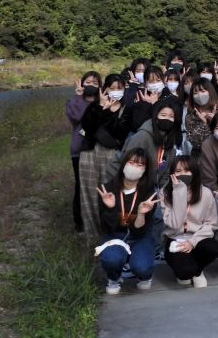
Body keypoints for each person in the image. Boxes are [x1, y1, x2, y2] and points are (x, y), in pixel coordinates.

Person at [96, 147, 159, 295]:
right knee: (112, 259)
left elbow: (141, 230)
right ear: (124, 164)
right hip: (115, 235)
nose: (134, 167)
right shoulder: (108, 189)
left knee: (142, 266)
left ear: (145, 170)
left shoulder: (149, 192)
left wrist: (141, 214)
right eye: (131, 162)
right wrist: (110, 208)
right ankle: (114, 276)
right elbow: (107, 228)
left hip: (140, 237)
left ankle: (144, 274)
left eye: (140, 165)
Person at [78, 73, 130, 241]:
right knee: (90, 193)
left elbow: (120, 133)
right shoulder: (95, 105)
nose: (115, 92)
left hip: (112, 155)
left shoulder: (126, 109)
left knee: (111, 192)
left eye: (119, 88)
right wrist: (101, 108)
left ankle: (113, 235)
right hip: (90, 153)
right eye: (112, 88)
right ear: (105, 89)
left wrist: (110, 113)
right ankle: (92, 236)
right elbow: (88, 127)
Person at [161, 155, 218, 288]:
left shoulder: (205, 193)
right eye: (178, 171)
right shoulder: (164, 193)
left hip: (197, 238)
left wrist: (192, 242)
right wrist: (179, 192)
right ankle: (186, 270)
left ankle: (198, 271)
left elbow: (212, 224)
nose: (182, 174)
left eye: (187, 171)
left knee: (212, 248)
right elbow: (175, 224)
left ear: (194, 172)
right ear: (172, 174)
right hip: (175, 239)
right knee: (184, 273)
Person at [66, 71, 101, 233]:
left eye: (95, 83)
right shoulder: (74, 103)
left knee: (99, 185)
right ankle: (79, 223)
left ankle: (98, 219)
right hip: (79, 151)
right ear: (81, 84)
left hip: (99, 150)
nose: (91, 85)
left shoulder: (103, 102)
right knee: (81, 186)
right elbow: (78, 116)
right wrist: (79, 97)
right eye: (88, 82)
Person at [123, 65, 178, 134]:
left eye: (158, 80)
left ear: (164, 81)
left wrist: (154, 104)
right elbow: (136, 126)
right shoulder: (140, 97)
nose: (155, 84)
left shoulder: (172, 99)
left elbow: (171, 125)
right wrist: (146, 105)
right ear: (146, 83)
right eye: (151, 81)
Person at [184, 78, 218, 154]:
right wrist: (204, 124)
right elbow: (195, 143)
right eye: (195, 93)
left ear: (210, 91)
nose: (199, 95)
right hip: (201, 157)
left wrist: (216, 121)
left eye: (202, 91)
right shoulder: (191, 116)